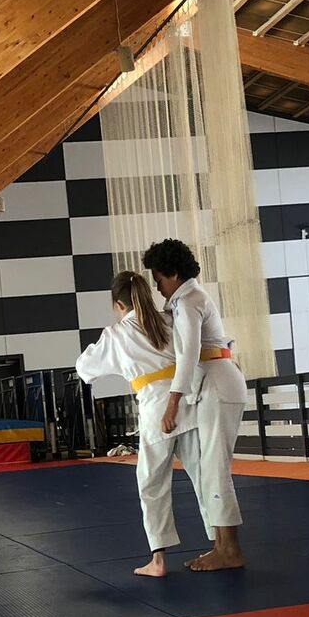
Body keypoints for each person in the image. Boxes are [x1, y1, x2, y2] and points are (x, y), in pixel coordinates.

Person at [75, 271, 194, 577]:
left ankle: (159, 560)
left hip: (156, 409)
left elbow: (85, 368)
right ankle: (222, 545)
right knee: (205, 478)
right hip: (190, 401)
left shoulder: (117, 334)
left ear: (119, 305)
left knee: (152, 485)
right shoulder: (169, 320)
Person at [143, 238, 250, 571]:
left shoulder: (189, 301)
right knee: (210, 467)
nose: (157, 286)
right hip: (216, 382)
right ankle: (221, 547)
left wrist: (172, 403)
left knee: (215, 467)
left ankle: (229, 550)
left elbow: (188, 354)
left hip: (218, 383)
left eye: (159, 278)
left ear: (173, 274)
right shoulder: (186, 300)